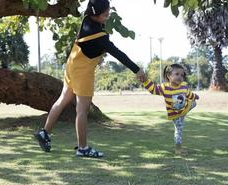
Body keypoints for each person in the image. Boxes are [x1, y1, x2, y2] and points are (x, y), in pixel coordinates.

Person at [34, 0, 146, 158]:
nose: (107, 16)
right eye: (105, 14)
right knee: (82, 110)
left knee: (62, 100)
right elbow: (117, 53)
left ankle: (45, 133)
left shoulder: (86, 19)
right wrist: (137, 69)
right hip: (83, 72)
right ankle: (83, 148)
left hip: (71, 66)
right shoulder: (99, 36)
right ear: (97, 14)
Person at [142, 64, 199, 155]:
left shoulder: (184, 86)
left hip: (184, 108)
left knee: (194, 102)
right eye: (177, 74)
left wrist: (195, 96)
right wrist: (145, 81)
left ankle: (183, 112)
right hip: (175, 114)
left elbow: (189, 94)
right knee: (179, 131)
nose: (180, 77)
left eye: (182, 75)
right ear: (169, 76)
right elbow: (153, 89)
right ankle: (178, 149)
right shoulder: (165, 87)